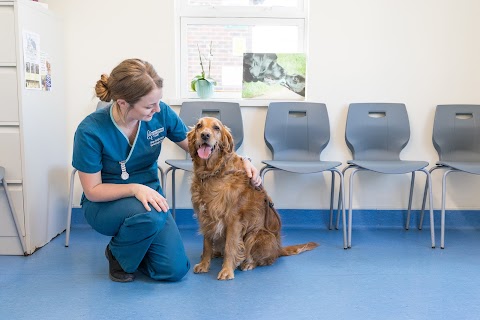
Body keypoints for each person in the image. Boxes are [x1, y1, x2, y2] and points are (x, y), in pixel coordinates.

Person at [72, 58, 261, 282]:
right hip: (104, 205)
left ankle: (139, 248)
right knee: (150, 215)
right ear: (123, 103)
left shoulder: (160, 114)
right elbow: (92, 190)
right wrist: (135, 189)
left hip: (151, 201)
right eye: (149, 105)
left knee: (174, 270)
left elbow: (197, 145)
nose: (158, 108)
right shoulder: (90, 130)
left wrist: (243, 160)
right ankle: (117, 254)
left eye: (159, 101)